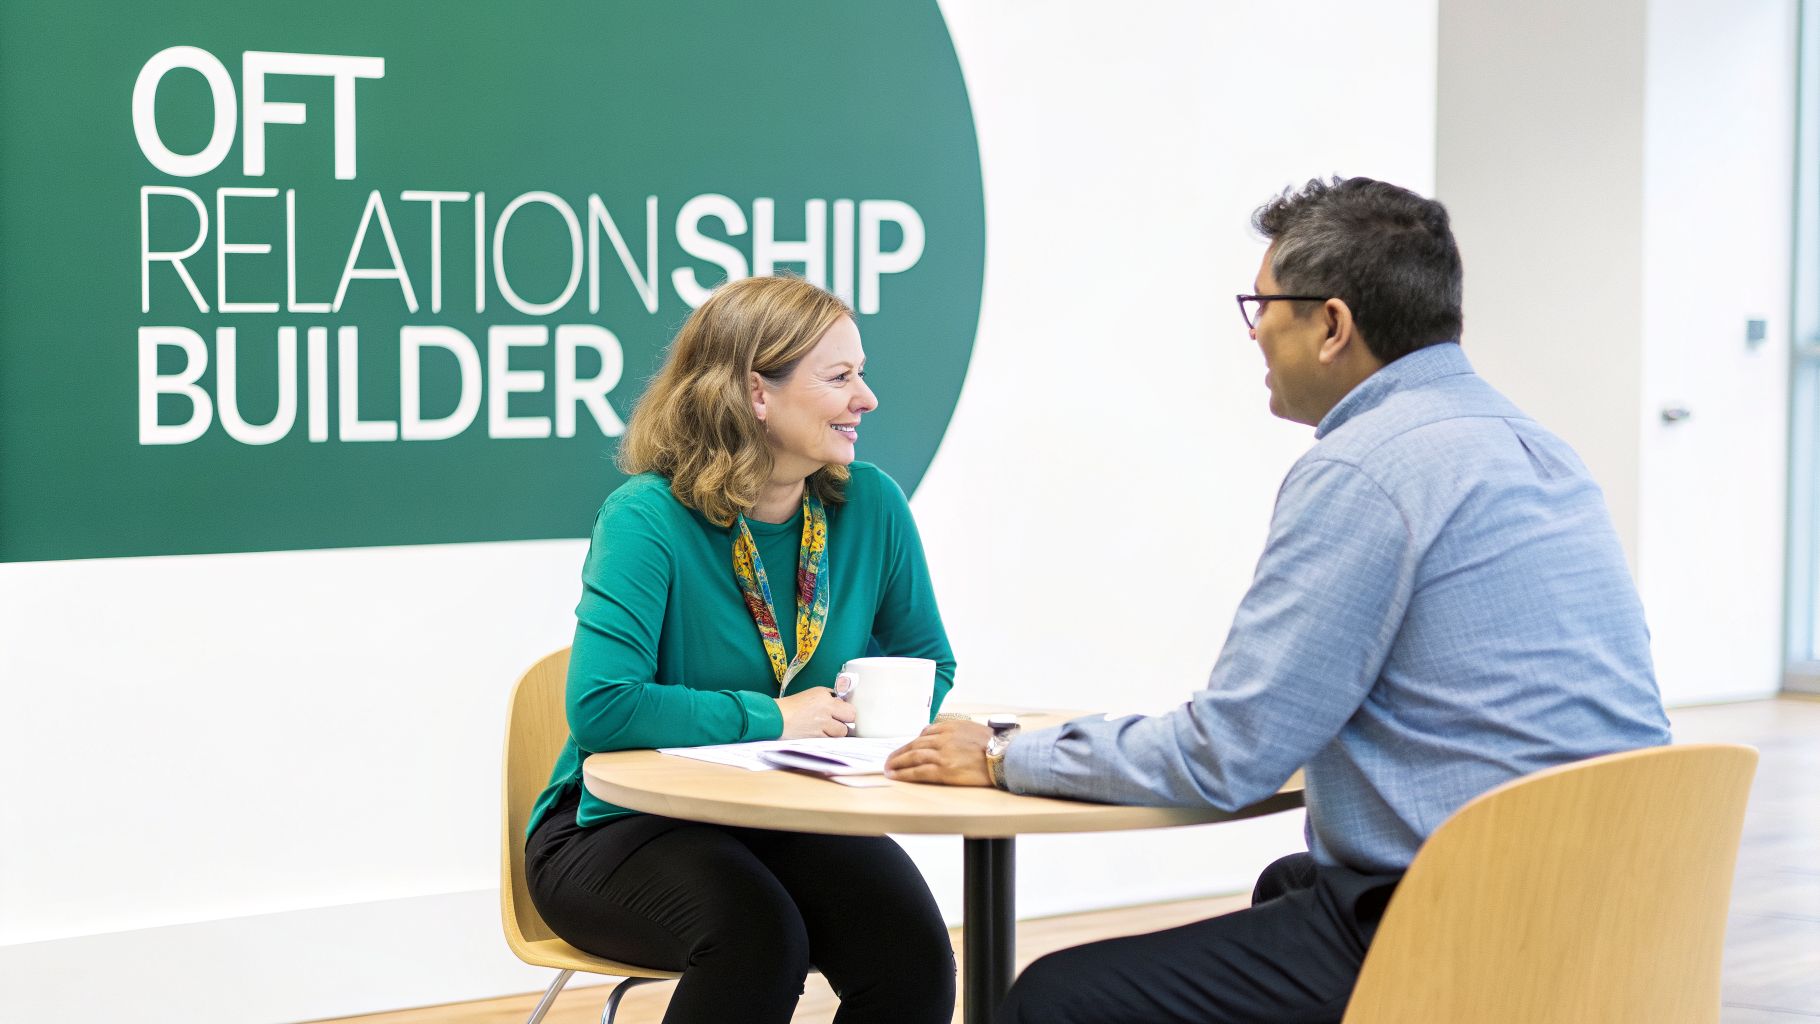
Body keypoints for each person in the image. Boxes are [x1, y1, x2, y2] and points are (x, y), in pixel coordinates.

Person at [885, 176, 1672, 1024]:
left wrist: (1005, 756)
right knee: (1288, 886)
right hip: (1613, 910)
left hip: (1465, 923)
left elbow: (1228, 754)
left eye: (1263, 307)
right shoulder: (1533, 446)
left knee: (1051, 999)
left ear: (1331, 324)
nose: (1255, 333)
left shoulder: (1366, 465)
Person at [526, 275, 958, 1024]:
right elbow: (604, 708)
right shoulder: (647, 517)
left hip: (786, 814)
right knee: (756, 939)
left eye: (862, 374)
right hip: (616, 827)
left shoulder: (871, 504)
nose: (867, 399)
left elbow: (930, 665)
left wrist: (863, 715)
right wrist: (776, 717)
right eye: (841, 376)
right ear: (757, 392)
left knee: (913, 956)